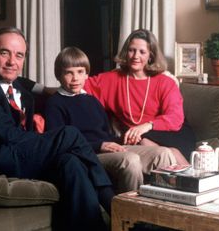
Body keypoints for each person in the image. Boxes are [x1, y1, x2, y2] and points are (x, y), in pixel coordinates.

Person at [0, 27, 113, 231]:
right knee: (69, 134)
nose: (12, 61)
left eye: (19, 55)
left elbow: (23, 82)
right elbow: (8, 136)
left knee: (71, 162)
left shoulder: (14, 85)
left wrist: (45, 89)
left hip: (16, 153)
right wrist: (47, 143)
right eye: (4, 53)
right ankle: (113, 203)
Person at [44, 47, 178, 193]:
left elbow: (105, 133)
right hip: (88, 155)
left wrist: (122, 141)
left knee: (163, 154)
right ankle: (130, 212)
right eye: (69, 73)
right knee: (130, 160)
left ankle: (167, 210)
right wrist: (99, 145)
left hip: (108, 148)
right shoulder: (55, 103)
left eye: (80, 72)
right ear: (58, 75)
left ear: (87, 75)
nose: (75, 78)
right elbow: (59, 143)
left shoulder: (92, 100)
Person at [84, 29, 196, 163]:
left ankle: (190, 180)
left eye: (142, 52)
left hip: (172, 131)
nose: (135, 56)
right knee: (146, 143)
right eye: (132, 50)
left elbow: (175, 118)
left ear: (151, 55)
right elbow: (79, 83)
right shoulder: (113, 79)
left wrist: (146, 126)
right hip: (137, 135)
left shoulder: (165, 81)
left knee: (149, 143)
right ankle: (188, 178)